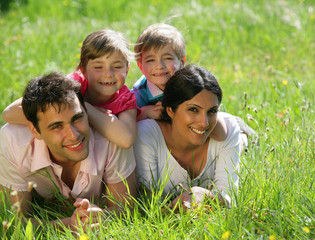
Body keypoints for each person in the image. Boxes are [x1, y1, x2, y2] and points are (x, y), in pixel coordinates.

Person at [0, 72, 137, 230]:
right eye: (57, 126)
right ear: (35, 130)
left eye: (77, 118)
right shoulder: (11, 142)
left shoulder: (111, 137)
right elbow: (14, 222)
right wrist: (68, 225)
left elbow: (127, 209)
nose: (74, 135)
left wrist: (101, 217)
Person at [133, 64, 248, 208]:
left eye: (212, 111)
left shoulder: (229, 128)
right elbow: (147, 205)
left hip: (231, 135)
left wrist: (204, 195)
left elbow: (230, 198)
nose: (204, 123)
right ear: (170, 110)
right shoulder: (147, 135)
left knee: (236, 136)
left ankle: (244, 138)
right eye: (193, 109)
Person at [2, 29, 138, 149]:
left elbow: (126, 140)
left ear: (127, 69)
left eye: (117, 67)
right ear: (83, 70)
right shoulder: (71, 85)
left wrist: (85, 112)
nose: (108, 74)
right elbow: (9, 114)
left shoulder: (125, 99)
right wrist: (84, 108)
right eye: (98, 67)